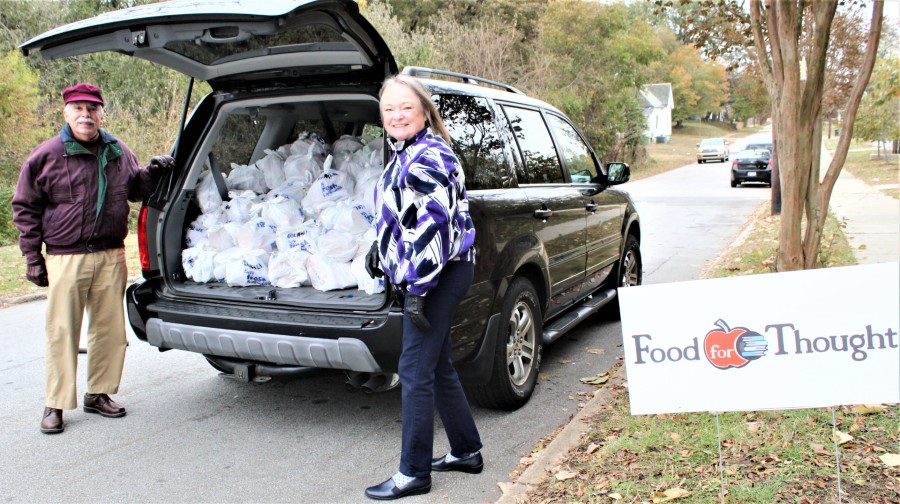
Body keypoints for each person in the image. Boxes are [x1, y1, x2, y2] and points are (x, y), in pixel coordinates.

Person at [12, 82, 174, 434]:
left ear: (102, 113)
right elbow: (25, 208)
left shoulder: (117, 151)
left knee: (109, 331)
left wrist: (154, 171)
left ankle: (97, 393)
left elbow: (136, 189)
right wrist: (32, 258)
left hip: (111, 254)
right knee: (62, 331)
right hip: (66, 257)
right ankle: (55, 403)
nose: (86, 115)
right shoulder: (46, 155)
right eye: (78, 108)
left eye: (92, 109)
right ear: (66, 112)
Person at [363, 74, 482, 500]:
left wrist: (418, 287)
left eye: (405, 108)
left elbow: (436, 226)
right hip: (435, 273)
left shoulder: (428, 155)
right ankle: (466, 450)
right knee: (437, 364)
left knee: (413, 370)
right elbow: (405, 215)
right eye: (388, 109)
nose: (396, 115)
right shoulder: (406, 150)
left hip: (437, 276)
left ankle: (413, 473)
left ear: (424, 112)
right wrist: (382, 249)